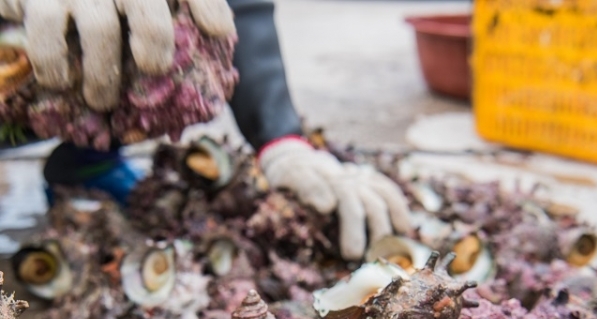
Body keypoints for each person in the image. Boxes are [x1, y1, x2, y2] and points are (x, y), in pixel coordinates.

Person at [0, 0, 410, 260]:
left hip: (84, 93)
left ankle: (87, 159)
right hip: (20, 60)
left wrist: (281, 139)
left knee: (152, 26)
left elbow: (240, 10)